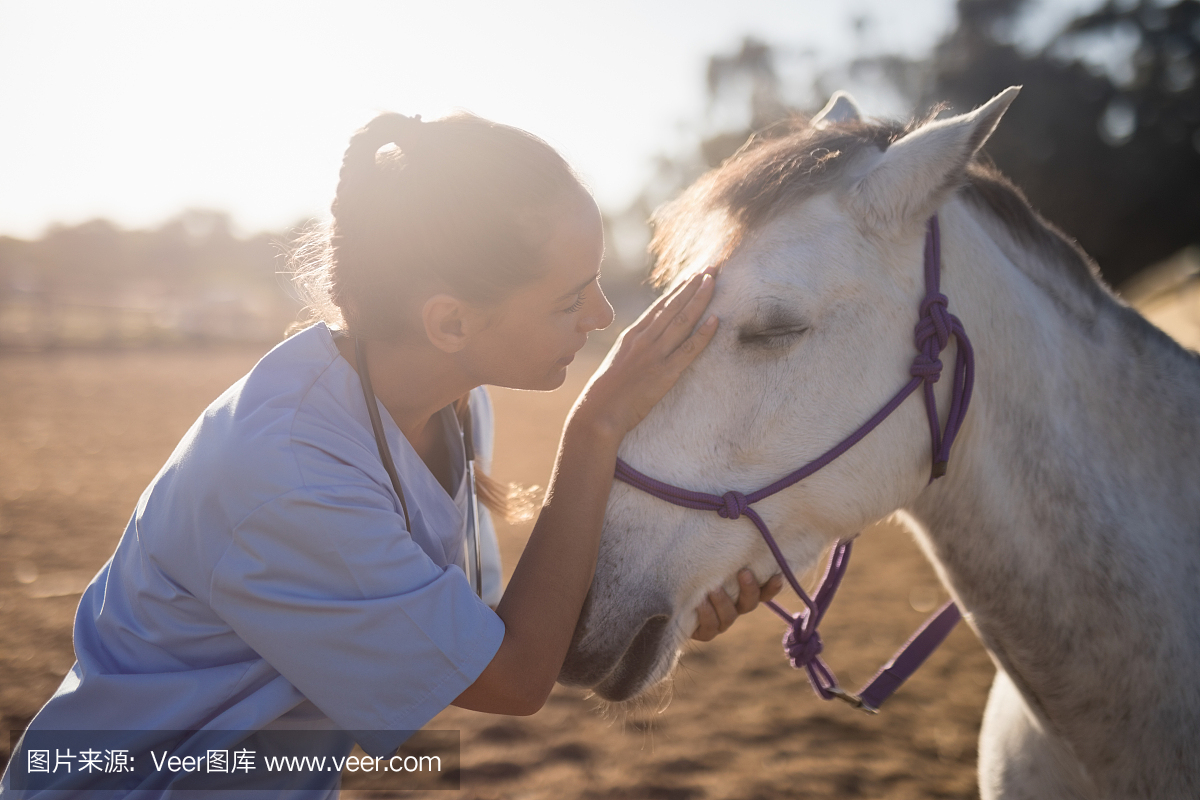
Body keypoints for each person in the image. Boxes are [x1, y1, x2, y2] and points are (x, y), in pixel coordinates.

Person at [2, 112, 781, 797]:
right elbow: (511, 681)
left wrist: (654, 609)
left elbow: (488, 637)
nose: (603, 316)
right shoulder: (291, 478)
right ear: (450, 323)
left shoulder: (450, 401)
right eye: (569, 298)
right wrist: (595, 430)